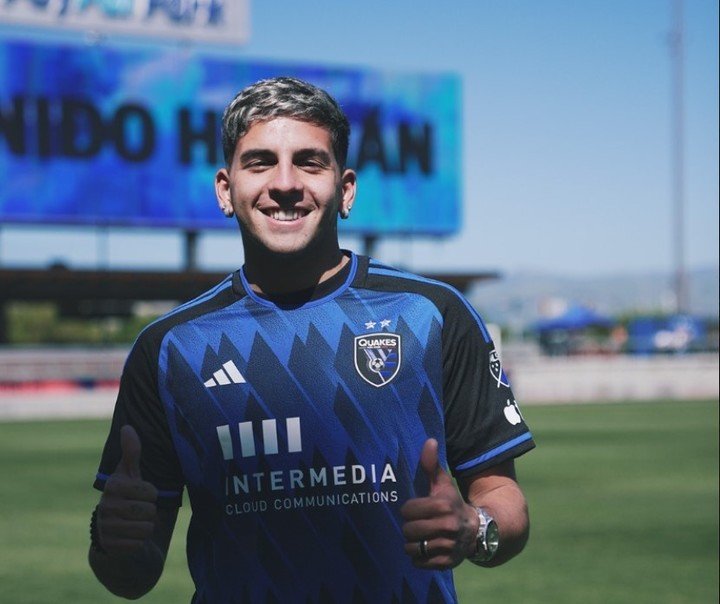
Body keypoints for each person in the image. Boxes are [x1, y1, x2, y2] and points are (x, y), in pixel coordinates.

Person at [89, 76, 535, 603]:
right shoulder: (170, 347)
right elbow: (131, 576)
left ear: (345, 189)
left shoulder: (432, 314)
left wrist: (474, 527)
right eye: (259, 162)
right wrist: (112, 539)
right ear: (225, 190)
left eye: (309, 161)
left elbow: (503, 499)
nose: (285, 183)